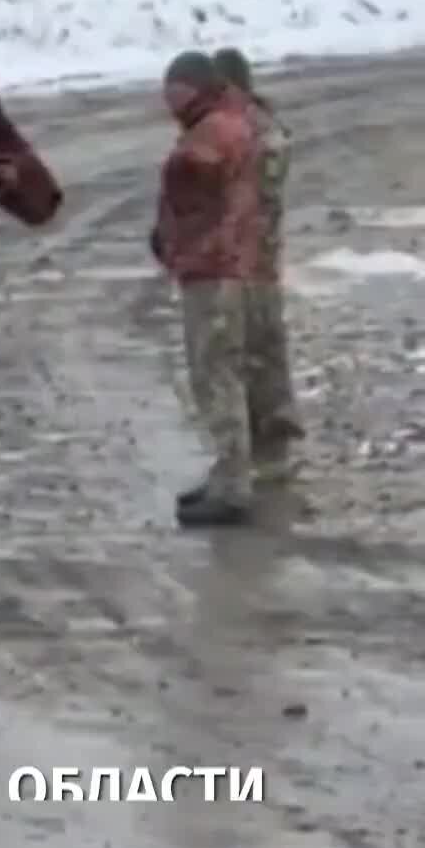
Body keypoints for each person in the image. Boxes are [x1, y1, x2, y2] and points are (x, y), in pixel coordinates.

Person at [150, 49, 263, 527]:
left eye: (173, 91)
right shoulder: (219, 122)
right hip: (211, 264)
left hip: (213, 267)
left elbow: (194, 175)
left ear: (191, 88)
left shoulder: (214, 129)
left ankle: (234, 486)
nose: (168, 102)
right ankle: (227, 473)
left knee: (216, 374)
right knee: (214, 373)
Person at [212, 46, 304, 469]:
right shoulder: (242, 125)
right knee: (258, 338)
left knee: (252, 340)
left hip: (250, 253)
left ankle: (270, 431)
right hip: (248, 251)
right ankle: (270, 424)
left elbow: (253, 189)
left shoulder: (254, 128)